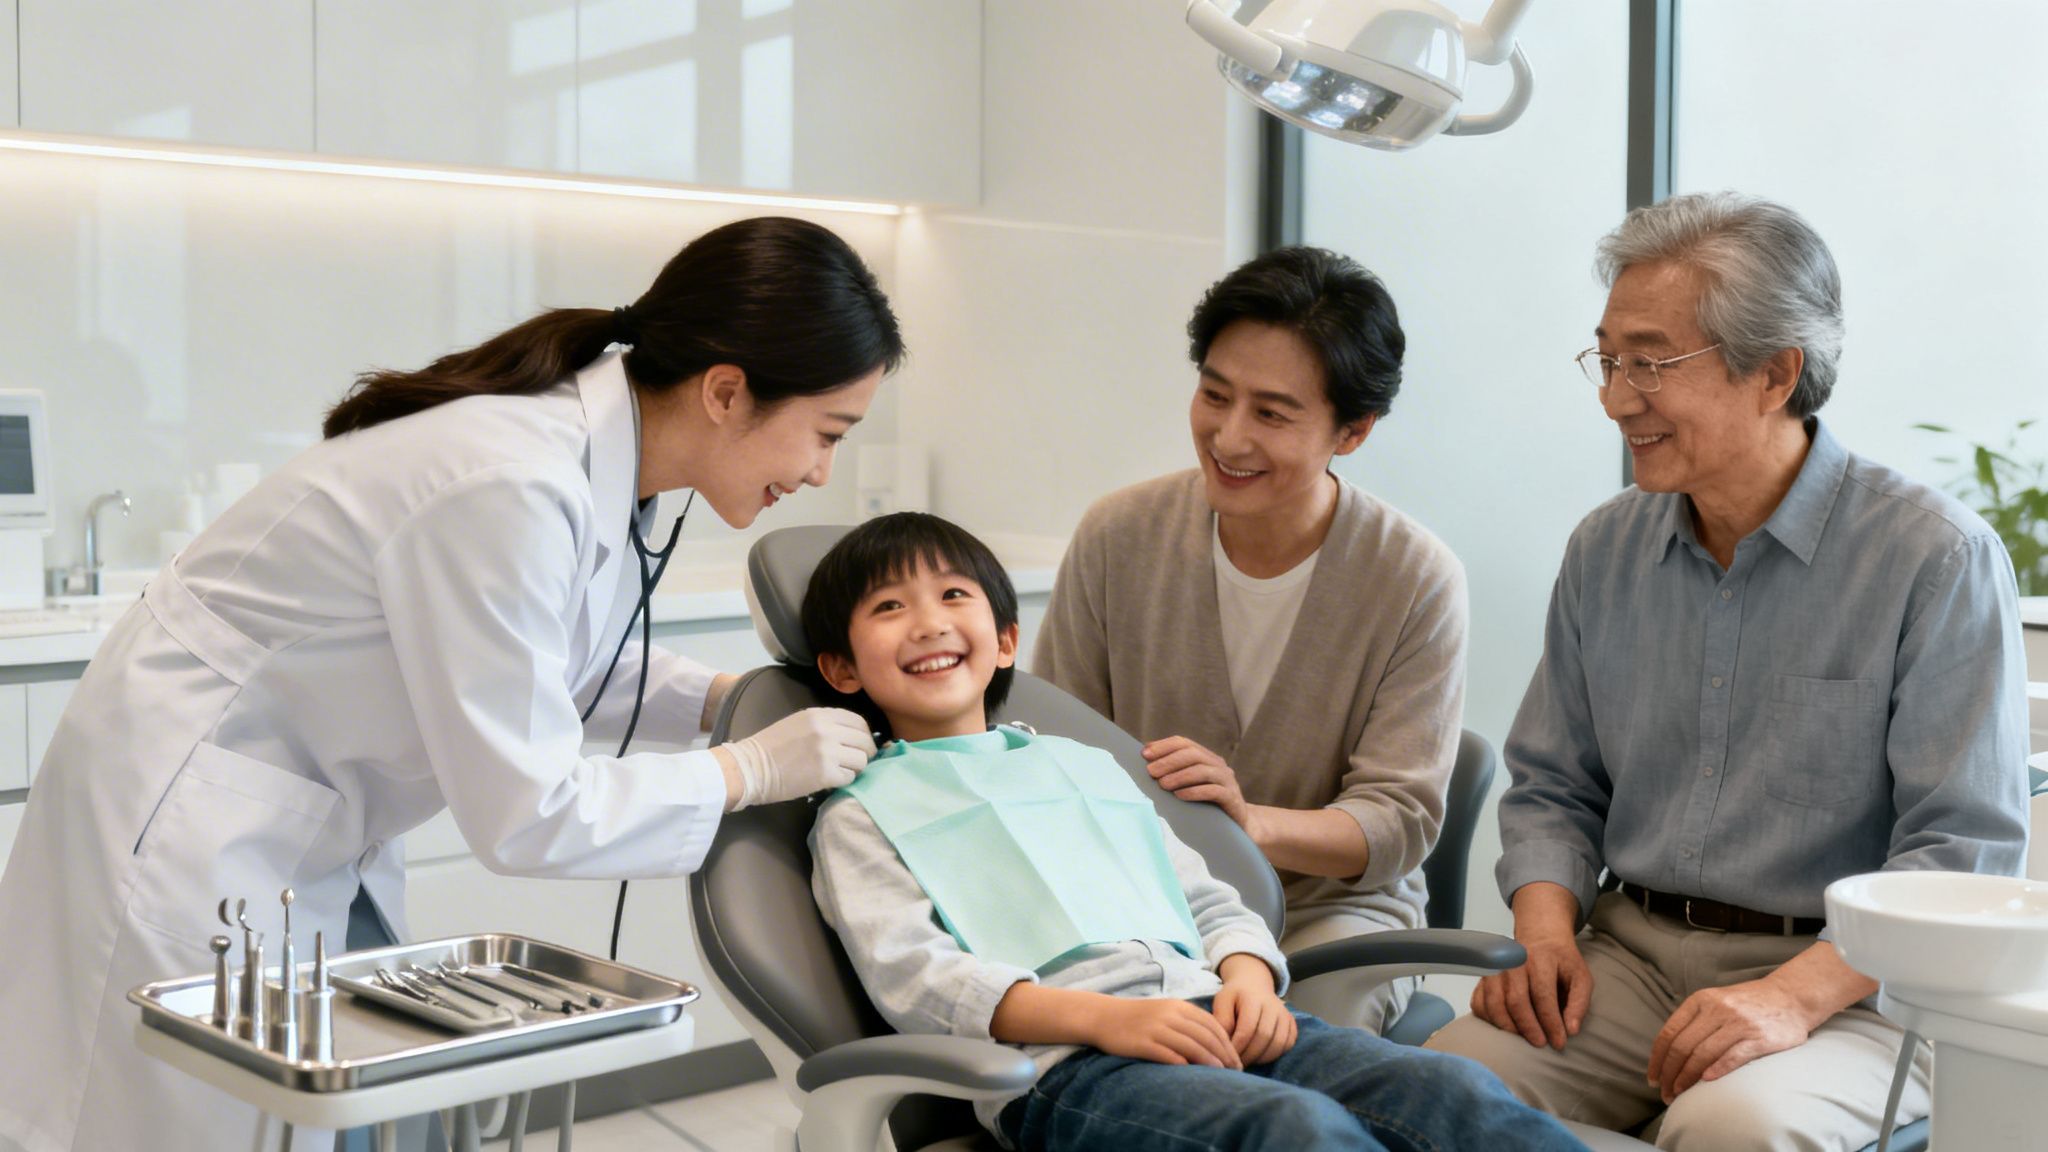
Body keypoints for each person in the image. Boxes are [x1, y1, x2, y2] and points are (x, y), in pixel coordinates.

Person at [0, 217, 899, 1152]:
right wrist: (747, 768)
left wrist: (718, 700)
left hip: (298, 812)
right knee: (178, 1123)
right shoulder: (509, 481)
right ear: (725, 390)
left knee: (325, 1115)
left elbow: (553, 663)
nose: (820, 472)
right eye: (826, 434)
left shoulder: (604, 472)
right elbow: (530, 809)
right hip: (190, 813)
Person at [1426, 192, 2032, 1150]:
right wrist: (1544, 936)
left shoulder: (1933, 559)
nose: (1616, 397)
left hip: (1854, 989)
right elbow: (1552, 786)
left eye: (1652, 363)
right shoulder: (1604, 549)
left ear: (1776, 374)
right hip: (1629, 957)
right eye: (1609, 359)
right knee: (1435, 1094)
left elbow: (1961, 853)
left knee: (1730, 1130)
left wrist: (1791, 999)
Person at [803, 512, 1586, 1152]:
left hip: (1221, 1014)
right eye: (888, 608)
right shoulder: (860, 813)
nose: (928, 624)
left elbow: (1208, 901)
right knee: (1295, 1130)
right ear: (842, 668)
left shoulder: (1081, 766)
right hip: (1070, 1072)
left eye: (952, 595)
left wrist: (1248, 977)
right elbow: (918, 979)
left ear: (1006, 639)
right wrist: (1110, 1018)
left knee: (1450, 1091)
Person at [1034, 247, 1468, 1031]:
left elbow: (1398, 820)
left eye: (1271, 414)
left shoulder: (1414, 576)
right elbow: (1051, 751)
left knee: (1301, 1046)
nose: (1228, 438)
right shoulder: (1118, 535)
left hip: (1331, 917)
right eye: (1214, 395)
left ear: (1355, 431)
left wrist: (1248, 822)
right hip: (1146, 900)